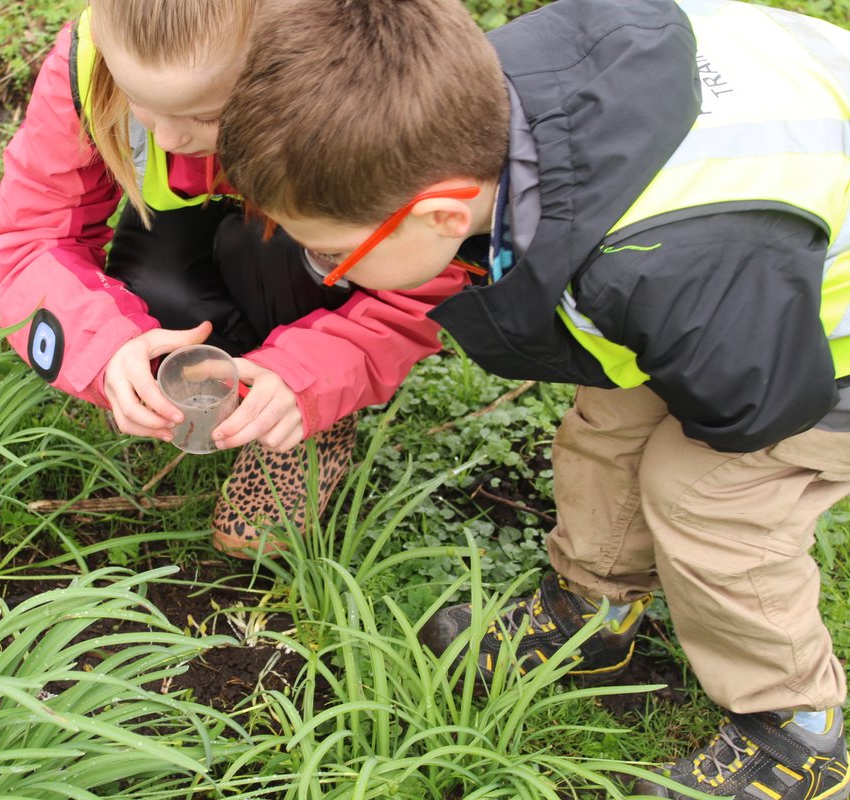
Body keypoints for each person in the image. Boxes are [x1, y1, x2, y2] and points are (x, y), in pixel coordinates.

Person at [216, 0, 850, 796]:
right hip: (744, 274)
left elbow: (760, 401)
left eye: (331, 257)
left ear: (442, 213)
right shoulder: (472, 102)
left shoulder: (658, 266)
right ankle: (595, 612)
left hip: (802, 333)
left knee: (706, 499)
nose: (323, 273)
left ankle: (799, 728)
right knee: (611, 418)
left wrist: (691, 436)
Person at [0, 1, 469, 557]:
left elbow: (414, 289)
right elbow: (35, 238)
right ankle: (241, 385)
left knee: (271, 249)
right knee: (155, 292)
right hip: (188, 232)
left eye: (207, 115)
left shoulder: (364, 84)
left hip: (310, 255)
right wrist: (105, 350)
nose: (167, 139)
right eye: (138, 100)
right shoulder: (93, 57)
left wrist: (311, 380)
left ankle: (303, 420)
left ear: (295, 55)